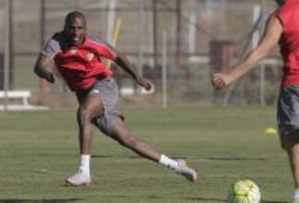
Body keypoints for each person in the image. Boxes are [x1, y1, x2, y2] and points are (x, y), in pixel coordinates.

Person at [33, 11, 197, 186]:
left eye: (79, 28)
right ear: (65, 28)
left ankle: (84, 172)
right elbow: (39, 66)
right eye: (71, 28)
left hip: (103, 86)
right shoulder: (56, 42)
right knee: (127, 139)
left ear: (85, 29)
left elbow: (118, 57)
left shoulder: (94, 42)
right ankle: (176, 165)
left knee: (84, 113)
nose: (75, 33)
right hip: (85, 95)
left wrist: (137, 77)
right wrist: (47, 74)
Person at [212, 0, 299, 202]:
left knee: (289, 140)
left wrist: (230, 76)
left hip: (296, 86)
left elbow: (260, 53)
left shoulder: (280, 17)